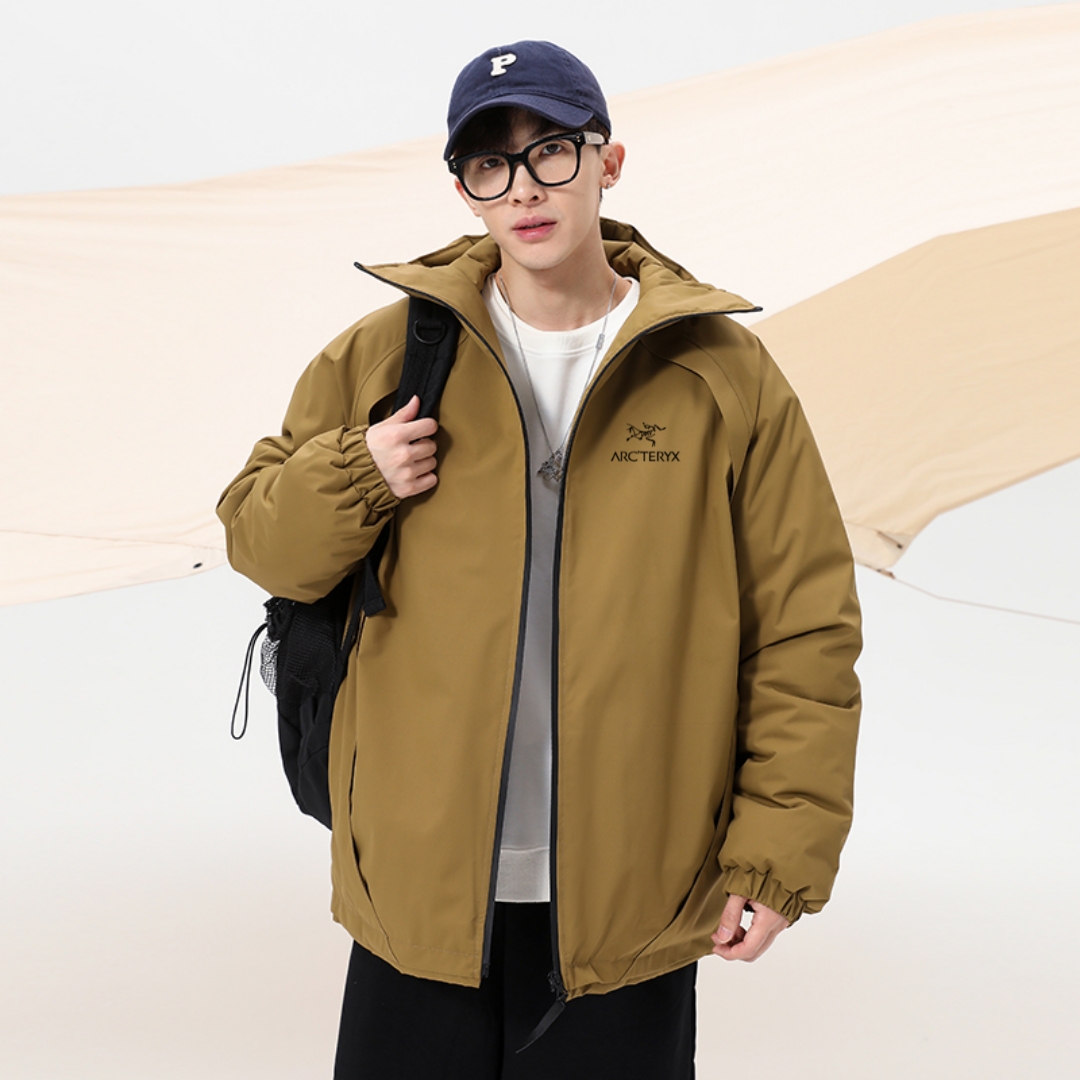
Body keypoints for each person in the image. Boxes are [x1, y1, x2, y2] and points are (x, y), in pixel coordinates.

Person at [217, 40, 862, 1079]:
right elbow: (260, 542)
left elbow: (804, 631)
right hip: (418, 890)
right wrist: (358, 472)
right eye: (489, 164)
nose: (523, 188)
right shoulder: (388, 355)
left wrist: (778, 852)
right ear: (463, 190)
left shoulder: (723, 375)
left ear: (609, 162)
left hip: (636, 898)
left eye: (550, 151)